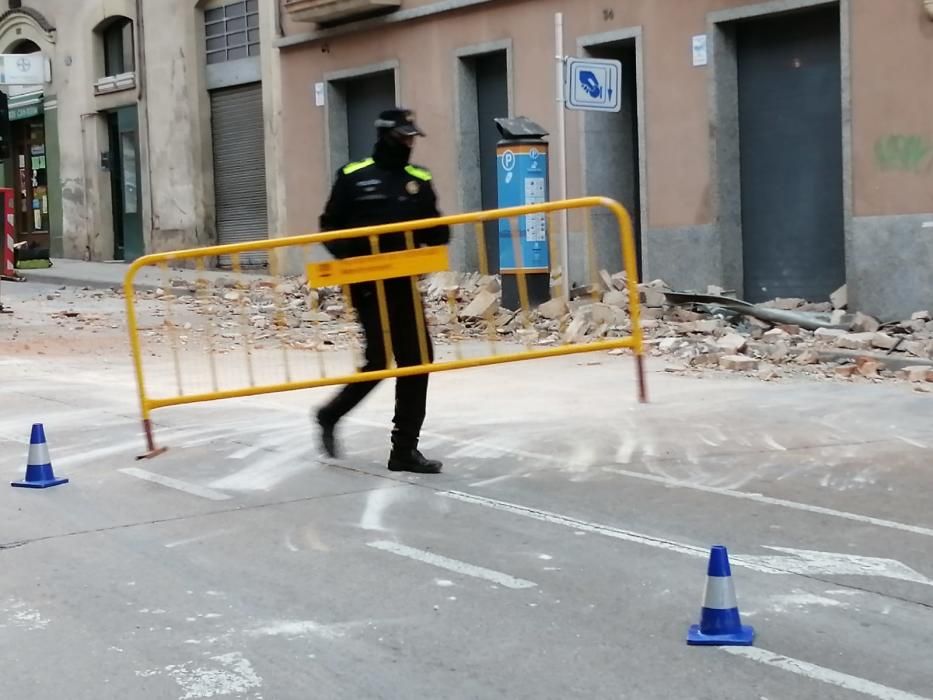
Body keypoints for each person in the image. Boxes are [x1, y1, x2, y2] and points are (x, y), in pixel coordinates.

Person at [314, 108, 450, 474]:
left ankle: (404, 450)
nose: (408, 143)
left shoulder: (418, 178)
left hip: (404, 282)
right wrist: (355, 263)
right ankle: (329, 415)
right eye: (403, 137)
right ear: (385, 135)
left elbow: (438, 230)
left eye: (411, 137)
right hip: (367, 286)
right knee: (378, 360)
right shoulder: (353, 176)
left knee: (418, 359)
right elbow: (329, 226)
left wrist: (432, 233)